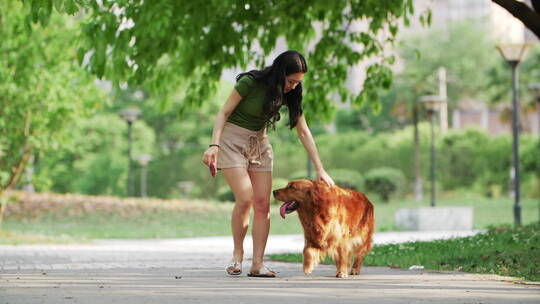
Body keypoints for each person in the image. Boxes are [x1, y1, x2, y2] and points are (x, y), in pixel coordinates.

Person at [202, 50, 335, 277]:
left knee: (263, 204)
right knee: (246, 198)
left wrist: (320, 168)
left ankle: (258, 264)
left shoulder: (291, 93)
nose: (294, 86)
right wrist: (214, 145)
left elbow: (303, 131)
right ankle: (237, 255)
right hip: (232, 141)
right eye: (291, 80)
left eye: (298, 82)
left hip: (260, 144)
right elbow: (223, 113)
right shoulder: (251, 83)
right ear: (280, 73)